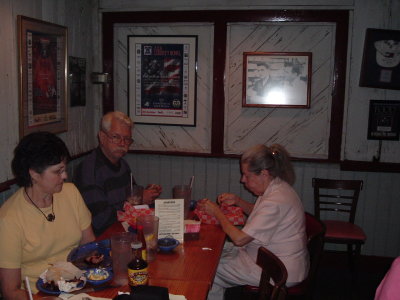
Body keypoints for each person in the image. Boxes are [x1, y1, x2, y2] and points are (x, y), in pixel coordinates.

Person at [197, 144, 309, 300]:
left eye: (247, 175)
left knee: (206, 271)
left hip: (278, 269)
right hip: (268, 257)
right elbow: (259, 214)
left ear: (264, 173)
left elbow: (240, 239)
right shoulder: (277, 186)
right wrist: (238, 201)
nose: (242, 180)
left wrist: (217, 212)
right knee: (209, 252)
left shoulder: (276, 200)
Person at [0, 131, 95, 298]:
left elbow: (89, 246)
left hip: (79, 287)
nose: (65, 176)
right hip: (39, 295)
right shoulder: (9, 219)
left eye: (64, 169)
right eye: (58, 171)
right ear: (34, 174)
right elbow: (10, 291)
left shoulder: (70, 193)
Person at [74, 111, 162, 236]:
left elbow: (132, 199)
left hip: (125, 232)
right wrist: (138, 199)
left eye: (126, 139)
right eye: (116, 137)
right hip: (104, 240)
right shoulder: (89, 170)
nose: (122, 143)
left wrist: (148, 194)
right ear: (102, 137)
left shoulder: (123, 165)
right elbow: (100, 219)